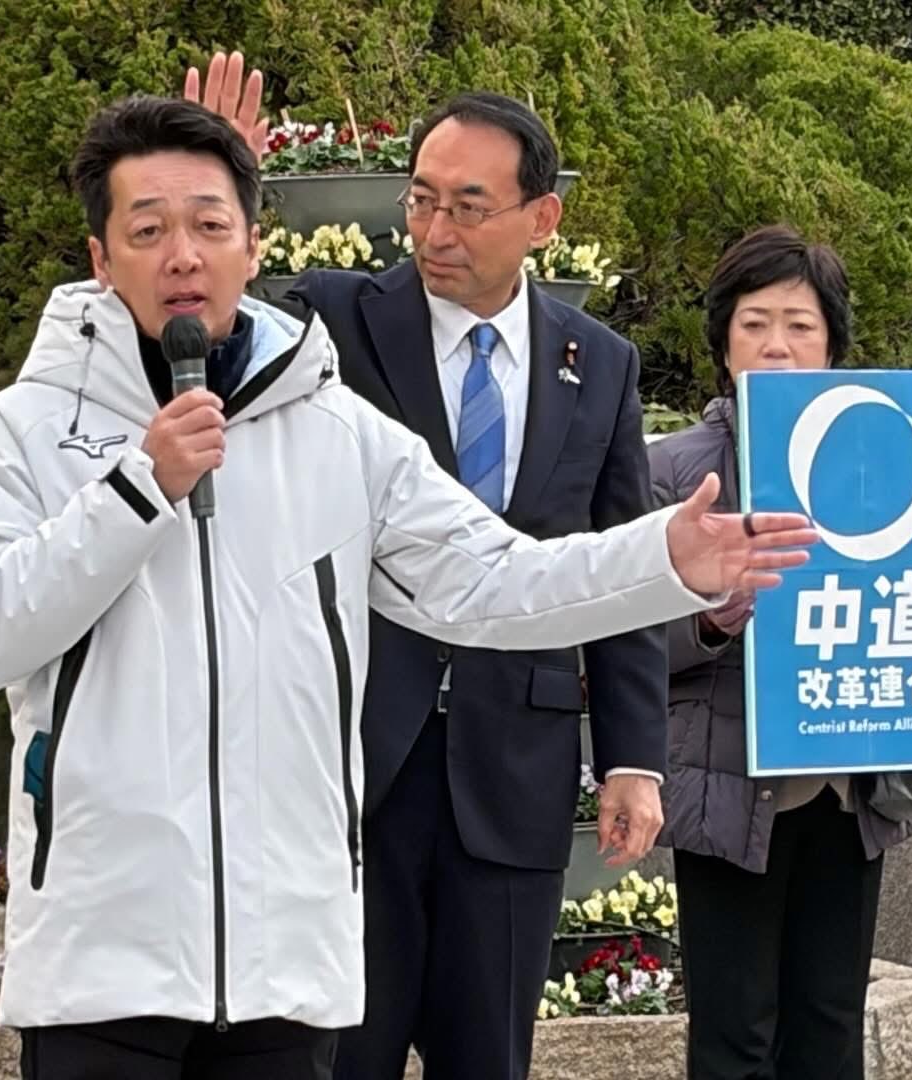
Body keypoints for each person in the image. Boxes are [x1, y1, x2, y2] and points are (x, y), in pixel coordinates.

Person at [0, 98, 816, 1080]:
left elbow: (494, 576)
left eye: (211, 224)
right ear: (99, 256)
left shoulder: (339, 434)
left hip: (284, 965)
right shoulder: (25, 432)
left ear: (252, 243)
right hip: (106, 955)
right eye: (149, 229)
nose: (183, 254)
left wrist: (659, 561)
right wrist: (140, 490)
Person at [185, 55, 672, 1080]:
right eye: (420, 199)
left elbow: (614, 569)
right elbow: (207, 335)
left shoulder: (600, 365)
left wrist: (633, 756)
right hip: (357, 765)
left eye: (467, 206)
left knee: (487, 1057)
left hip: (516, 772)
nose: (434, 231)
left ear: (542, 219)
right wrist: (207, 177)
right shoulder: (338, 322)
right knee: (334, 1057)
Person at [648, 224, 912, 1080]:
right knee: (734, 1038)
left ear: (835, 344)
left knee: (831, 1029)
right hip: (728, 795)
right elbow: (618, 647)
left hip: (849, 794)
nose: (777, 345)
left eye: (800, 326)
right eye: (754, 322)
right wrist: (707, 618)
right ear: (722, 342)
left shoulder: (884, 457)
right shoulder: (675, 473)